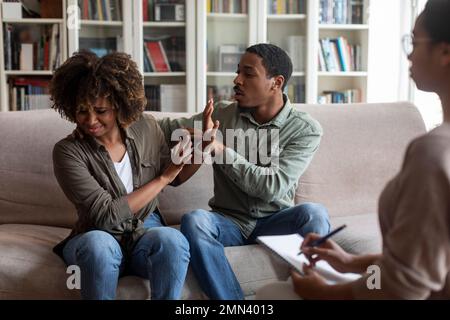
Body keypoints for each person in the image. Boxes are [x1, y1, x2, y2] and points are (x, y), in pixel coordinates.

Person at [256, 0, 450, 300]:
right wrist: (350, 262)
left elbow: (406, 288)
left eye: (415, 41)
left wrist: (326, 293)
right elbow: (421, 266)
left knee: (270, 295)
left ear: (445, 51)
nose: (409, 53)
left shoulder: (433, 152)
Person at [159, 43, 331, 300]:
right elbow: (164, 127)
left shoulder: (305, 129)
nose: (237, 80)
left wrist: (218, 148)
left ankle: (319, 295)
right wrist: (186, 135)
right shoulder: (222, 114)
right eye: (238, 72)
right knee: (195, 220)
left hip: (276, 220)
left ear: (276, 82)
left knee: (314, 214)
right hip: (229, 221)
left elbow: (271, 187)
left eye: (248, 74)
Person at [50, 51, 195, 300]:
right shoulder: (68, 152)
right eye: (81, 111)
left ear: (118, 104)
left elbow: (177, 177)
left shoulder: (147, 128)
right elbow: (105, 217)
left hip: (142, 235)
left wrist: (202, 147)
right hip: (96, 238)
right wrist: (163, 178)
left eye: (100, 110)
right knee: (98, 245)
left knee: (172, 238)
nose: (90, 120)